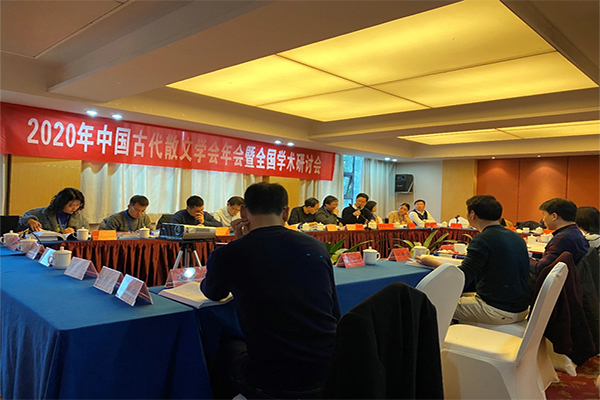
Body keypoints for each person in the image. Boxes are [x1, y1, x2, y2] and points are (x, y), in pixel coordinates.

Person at [201, 183, 339, 398]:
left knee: (225, 344)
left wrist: (240, 243)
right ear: (286, 213)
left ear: (243, 212)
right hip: (328, 369)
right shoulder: (316, 247)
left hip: (270, 378)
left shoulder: (229, 254)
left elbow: (213, 292)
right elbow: (334, 310)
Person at [417, 195, 531, 325]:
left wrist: (433, 263)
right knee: (455, 296)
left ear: (472, 214)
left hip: (497, 309)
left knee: (429, 303)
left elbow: (462, 276)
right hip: (520, 308)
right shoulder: (516, 237)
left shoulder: (483, 238)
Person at [530, 198, 589, 278]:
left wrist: (522, 257)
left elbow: (539, 268)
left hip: (551, 281)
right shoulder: (576, 233)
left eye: (544, 215)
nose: (543, 219)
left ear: (554, 216)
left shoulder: (562, 238)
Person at [18, 187, 89, 233]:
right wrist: (29, 220)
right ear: (61, 203)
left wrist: (75, 231)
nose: (74, 208)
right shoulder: (42, 213)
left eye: (77, 205)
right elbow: (21, 220)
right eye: (70, 205)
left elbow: (87, 232)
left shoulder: (80, 218)